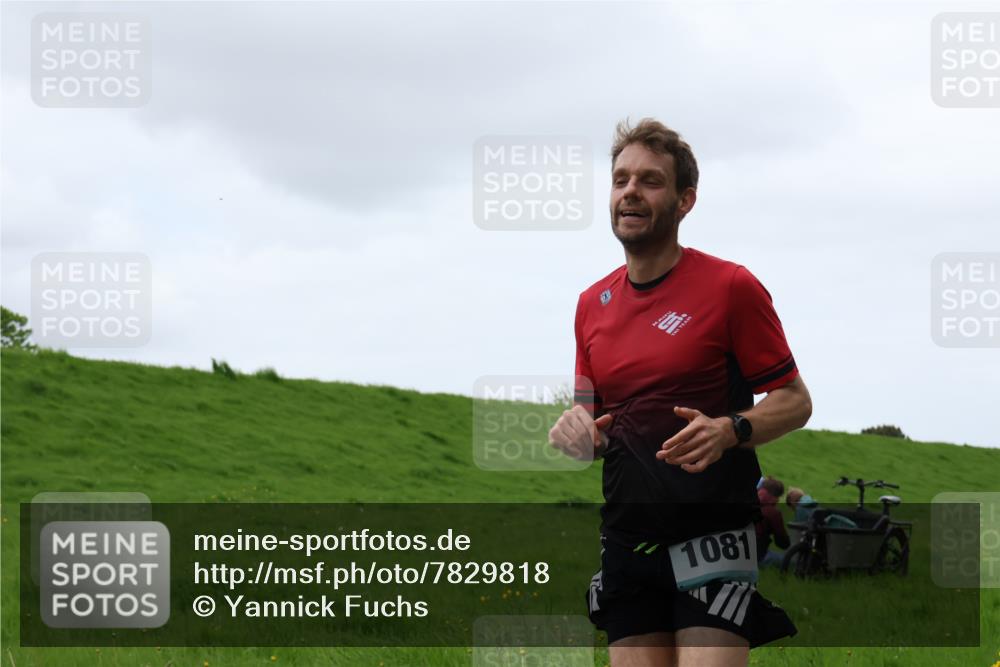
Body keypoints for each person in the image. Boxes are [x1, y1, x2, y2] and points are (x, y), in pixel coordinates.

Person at [548, 118, 813, 667]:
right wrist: (576, 434)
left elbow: (794, 400)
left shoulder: (731, 287)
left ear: (684, 200)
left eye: (650, 181)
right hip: (627, 540)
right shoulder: (589, 304)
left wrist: (731, 429)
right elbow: (592, 421)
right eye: (620, 179)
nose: (630, 192)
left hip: (713, 534)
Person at [755, 477, 790, 568]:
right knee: (793, 561)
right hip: (757, 557)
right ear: (775, 497)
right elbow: (783, 543)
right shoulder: (772, 512)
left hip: (731, 554)